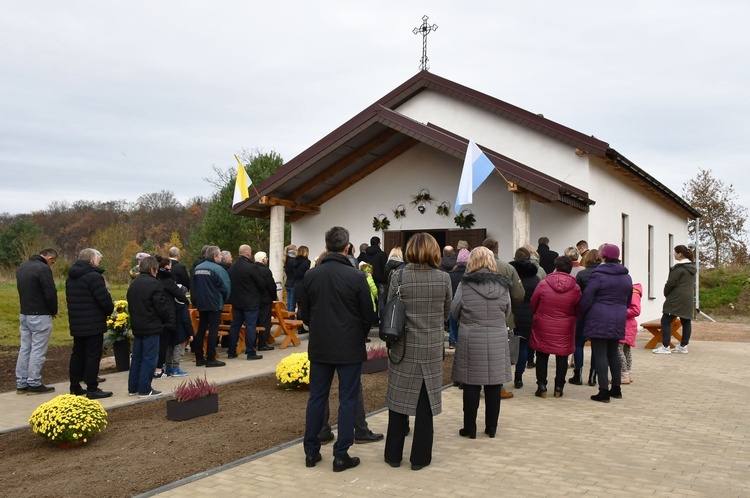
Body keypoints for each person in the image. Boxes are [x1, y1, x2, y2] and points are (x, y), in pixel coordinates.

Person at [298, 226, 374, 472]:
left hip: (321, 346)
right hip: (348, 346)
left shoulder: (312, 276)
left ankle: (311, 451)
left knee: (317, 397)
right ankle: (340, 453)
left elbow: (305, 314)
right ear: (347, 248)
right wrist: (358, 336)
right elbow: (368, 315)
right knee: (347, 399)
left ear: (327, 247)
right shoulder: (356, 277)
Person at [384, 233, 452, 471]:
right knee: (426, 403)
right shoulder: (444, 278)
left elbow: (391, 307)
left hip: (403, 346)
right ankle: (420, 458)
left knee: (398, 401)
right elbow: (446, 313)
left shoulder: (399, 276)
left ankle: (393, 455)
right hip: (431, 346)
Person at [451, 247, 512, 439]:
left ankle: (470, 428)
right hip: (497, 336)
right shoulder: (503, 286)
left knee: (471, 383)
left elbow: (454, 310)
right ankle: (491, 427)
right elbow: (507, 311)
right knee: (494, 384)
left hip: (471, 336)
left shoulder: (465, 285)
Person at [579, 244, 633, 403]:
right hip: (618, 316)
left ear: (603, 256)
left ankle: (603, 391)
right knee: (614, 352)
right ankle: (616, 388)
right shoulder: (626, 276)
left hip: (599, 317)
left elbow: (587, 297)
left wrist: (582, 312)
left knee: (600, 353)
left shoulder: (598, 275)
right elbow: (628, 301)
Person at [529, 256, 581, 398]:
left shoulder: (543, 284)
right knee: (562, 356)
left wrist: (540, 314)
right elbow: (578, 309)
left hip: (543, 323)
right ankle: (559, 387)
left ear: (555, 266)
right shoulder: (576, 288)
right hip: (565, 326)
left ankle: (542, 386)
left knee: (541, 354)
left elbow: (533, 303)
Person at [66, 248, 114, 399]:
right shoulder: (93, 276)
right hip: (93, 322)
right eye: (98, 259)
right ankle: (92, 388)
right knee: (93, 354)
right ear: (93, 260)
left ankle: (75, 385)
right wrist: (109, 309)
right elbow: (104, 301)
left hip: (77, 321)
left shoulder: (71, 277)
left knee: (78, 353)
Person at [127, 256, 173, 397]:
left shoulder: (133, 284)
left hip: (137, 324)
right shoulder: (155, 284)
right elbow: (161, 307)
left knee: (137, 357)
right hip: (151, 325)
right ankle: (145, 388)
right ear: (153, 269)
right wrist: (166, 319)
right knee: (150, 357)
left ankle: (133, 387)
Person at [15, 248, 58, 395]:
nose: (52, 264)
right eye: (53, 261)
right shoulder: (43, 268)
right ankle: (34, 382)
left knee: (25, 348)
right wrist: (53, 310)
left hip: (25, 312)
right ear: (50, 258)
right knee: (38, 349)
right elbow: (50, 292)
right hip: (40, 314)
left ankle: (21, 382)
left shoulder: (23, 266)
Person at [654, 245, 697, 355]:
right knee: (686, 321)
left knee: (666, 320)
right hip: (688, 297)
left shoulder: (679, 269)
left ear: (680, 254)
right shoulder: (692, 268)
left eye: (675, 252)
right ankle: (683, 346)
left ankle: (665, 346)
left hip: (676, 298)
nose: (674, 254)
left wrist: (666, 293)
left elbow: (670, 284)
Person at [192, 246, 231, 367]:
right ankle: (211, 357)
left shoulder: (197, 268)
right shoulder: (218, 269)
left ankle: (199, 357)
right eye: (219, 255)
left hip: (201, 303)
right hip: (215, 303)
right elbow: (226, 287)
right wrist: (223, 300)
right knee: (213, 330)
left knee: (201, 329)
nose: (221, 257)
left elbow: (194, 286)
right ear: (214, 256)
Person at [508, 247, 541, 390]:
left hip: (511, 314)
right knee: (523, 346)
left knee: (509, 346)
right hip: (529, 315)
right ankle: (518, 377)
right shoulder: (535, 279)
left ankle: (504, 375)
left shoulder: (509, 276)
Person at [227, 244, 265, 360]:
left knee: (235, 326)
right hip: (251, 301)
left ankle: (231, 351)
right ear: (248, 253)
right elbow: (261, 283)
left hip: (237, 301)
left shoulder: (232, 268)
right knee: (250, 326)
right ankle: (250, 352)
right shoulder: (251, 267)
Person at [154, 255, 189, 377]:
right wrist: (186, 301)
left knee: (160, 343)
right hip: (168, 315)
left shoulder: (155, 279)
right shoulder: (167, 279)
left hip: (156, 315)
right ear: (167, 266)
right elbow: (178, 294)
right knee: (165, 344)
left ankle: (161, 366)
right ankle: (159, 369)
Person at [571, 248, 600, 386]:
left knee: (578, 343)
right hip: (598, 313)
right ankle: (593, 376)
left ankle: (578, 374)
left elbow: (577, 294)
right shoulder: (603, 275)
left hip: (583, 312)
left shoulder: (582, 274)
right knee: (596, 345)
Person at [361, 237, 389, 325]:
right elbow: (385, 268)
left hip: (370, 279)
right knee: (381, 300)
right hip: (381, 281)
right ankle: (383, 321)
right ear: (378, 243)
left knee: (371, 300)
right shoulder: (383, 254)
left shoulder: (366, 255)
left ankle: (374, 319)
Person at [253, 251, 276, 351]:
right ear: (263, 260)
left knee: (254, 321)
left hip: (254, 300)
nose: (267, 260)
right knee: (265, 321)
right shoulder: (266, 271)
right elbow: (271, 286)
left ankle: (253, 342)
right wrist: (273, 297)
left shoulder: (252, 269)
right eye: (266, 258)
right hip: (265, 300)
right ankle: (262, 343)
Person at [447, 249, 470, 349]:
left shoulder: (450, 274)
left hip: (453, 302)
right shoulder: (470, 276)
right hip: (467, 304)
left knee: (453, 323)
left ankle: (452, 340)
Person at [621, 283, 643, 384]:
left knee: (619, 349)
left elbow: (636, 310)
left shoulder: (634, 293)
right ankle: (628, 374)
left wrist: (620, 312)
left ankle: (624, 374)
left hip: (627, 325)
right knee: (626, 350)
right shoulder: (633, 292)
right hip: (629, 325)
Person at [292, 246, 311, 315]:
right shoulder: (307, 262)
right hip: (303, 284)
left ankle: (299, 320)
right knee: (304, 305)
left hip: (296, 283)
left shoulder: (294, 262)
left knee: (299, 304)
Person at [283, 244, 297, 312]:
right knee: (292, 302)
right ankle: (291, 316)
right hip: (293, 283)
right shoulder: (293, 261)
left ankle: (288, 315)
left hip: (288, 282)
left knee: (289, 301)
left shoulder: (286, 260)